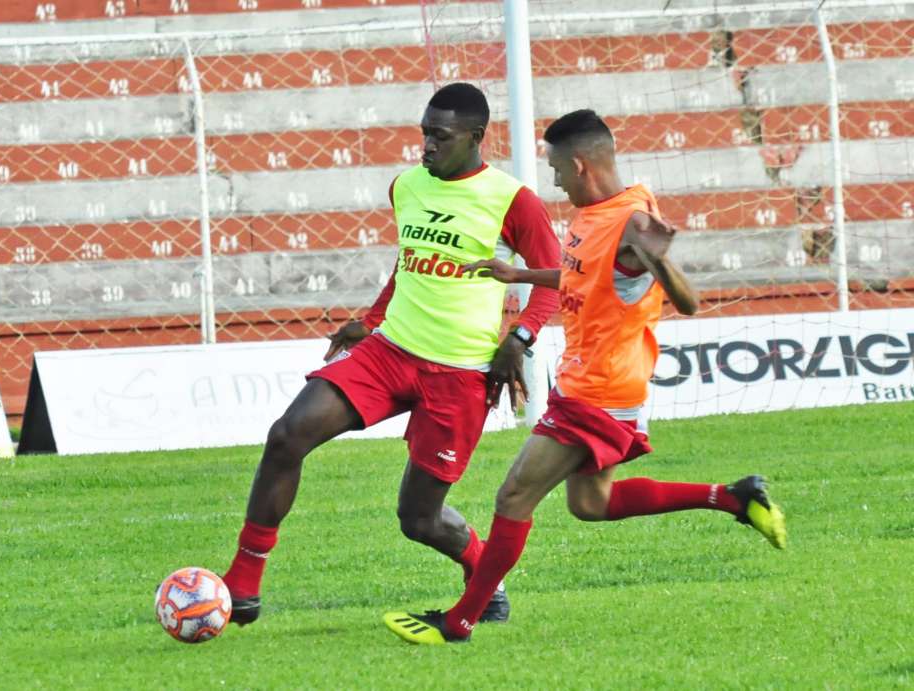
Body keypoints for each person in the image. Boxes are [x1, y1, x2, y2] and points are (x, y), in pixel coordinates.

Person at [383, 109, 787, 645]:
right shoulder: (593, 213)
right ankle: (734, 498)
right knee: (590, 504)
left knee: (512, 499)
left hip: (600, 390)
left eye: (556, 170)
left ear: (579, 165)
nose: (553, 180)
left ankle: (459, 623)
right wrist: (519, 273)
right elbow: (584, 274)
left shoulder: (633, 223)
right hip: (588, 382)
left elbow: (687, 302)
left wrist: (662, 264)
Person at [221, 82, 561, 626]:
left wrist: (519, 339)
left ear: (475, 137)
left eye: (439, 136)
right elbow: (410, 263)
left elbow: (556, 281)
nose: (425, 146)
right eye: (424, 133)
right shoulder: (407, 186)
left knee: (418, 519)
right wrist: (372, 320)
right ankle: (243, 583)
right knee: (288, 434)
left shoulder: (512, 200)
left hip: (459, 373)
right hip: (391, 352)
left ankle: (480, 572)